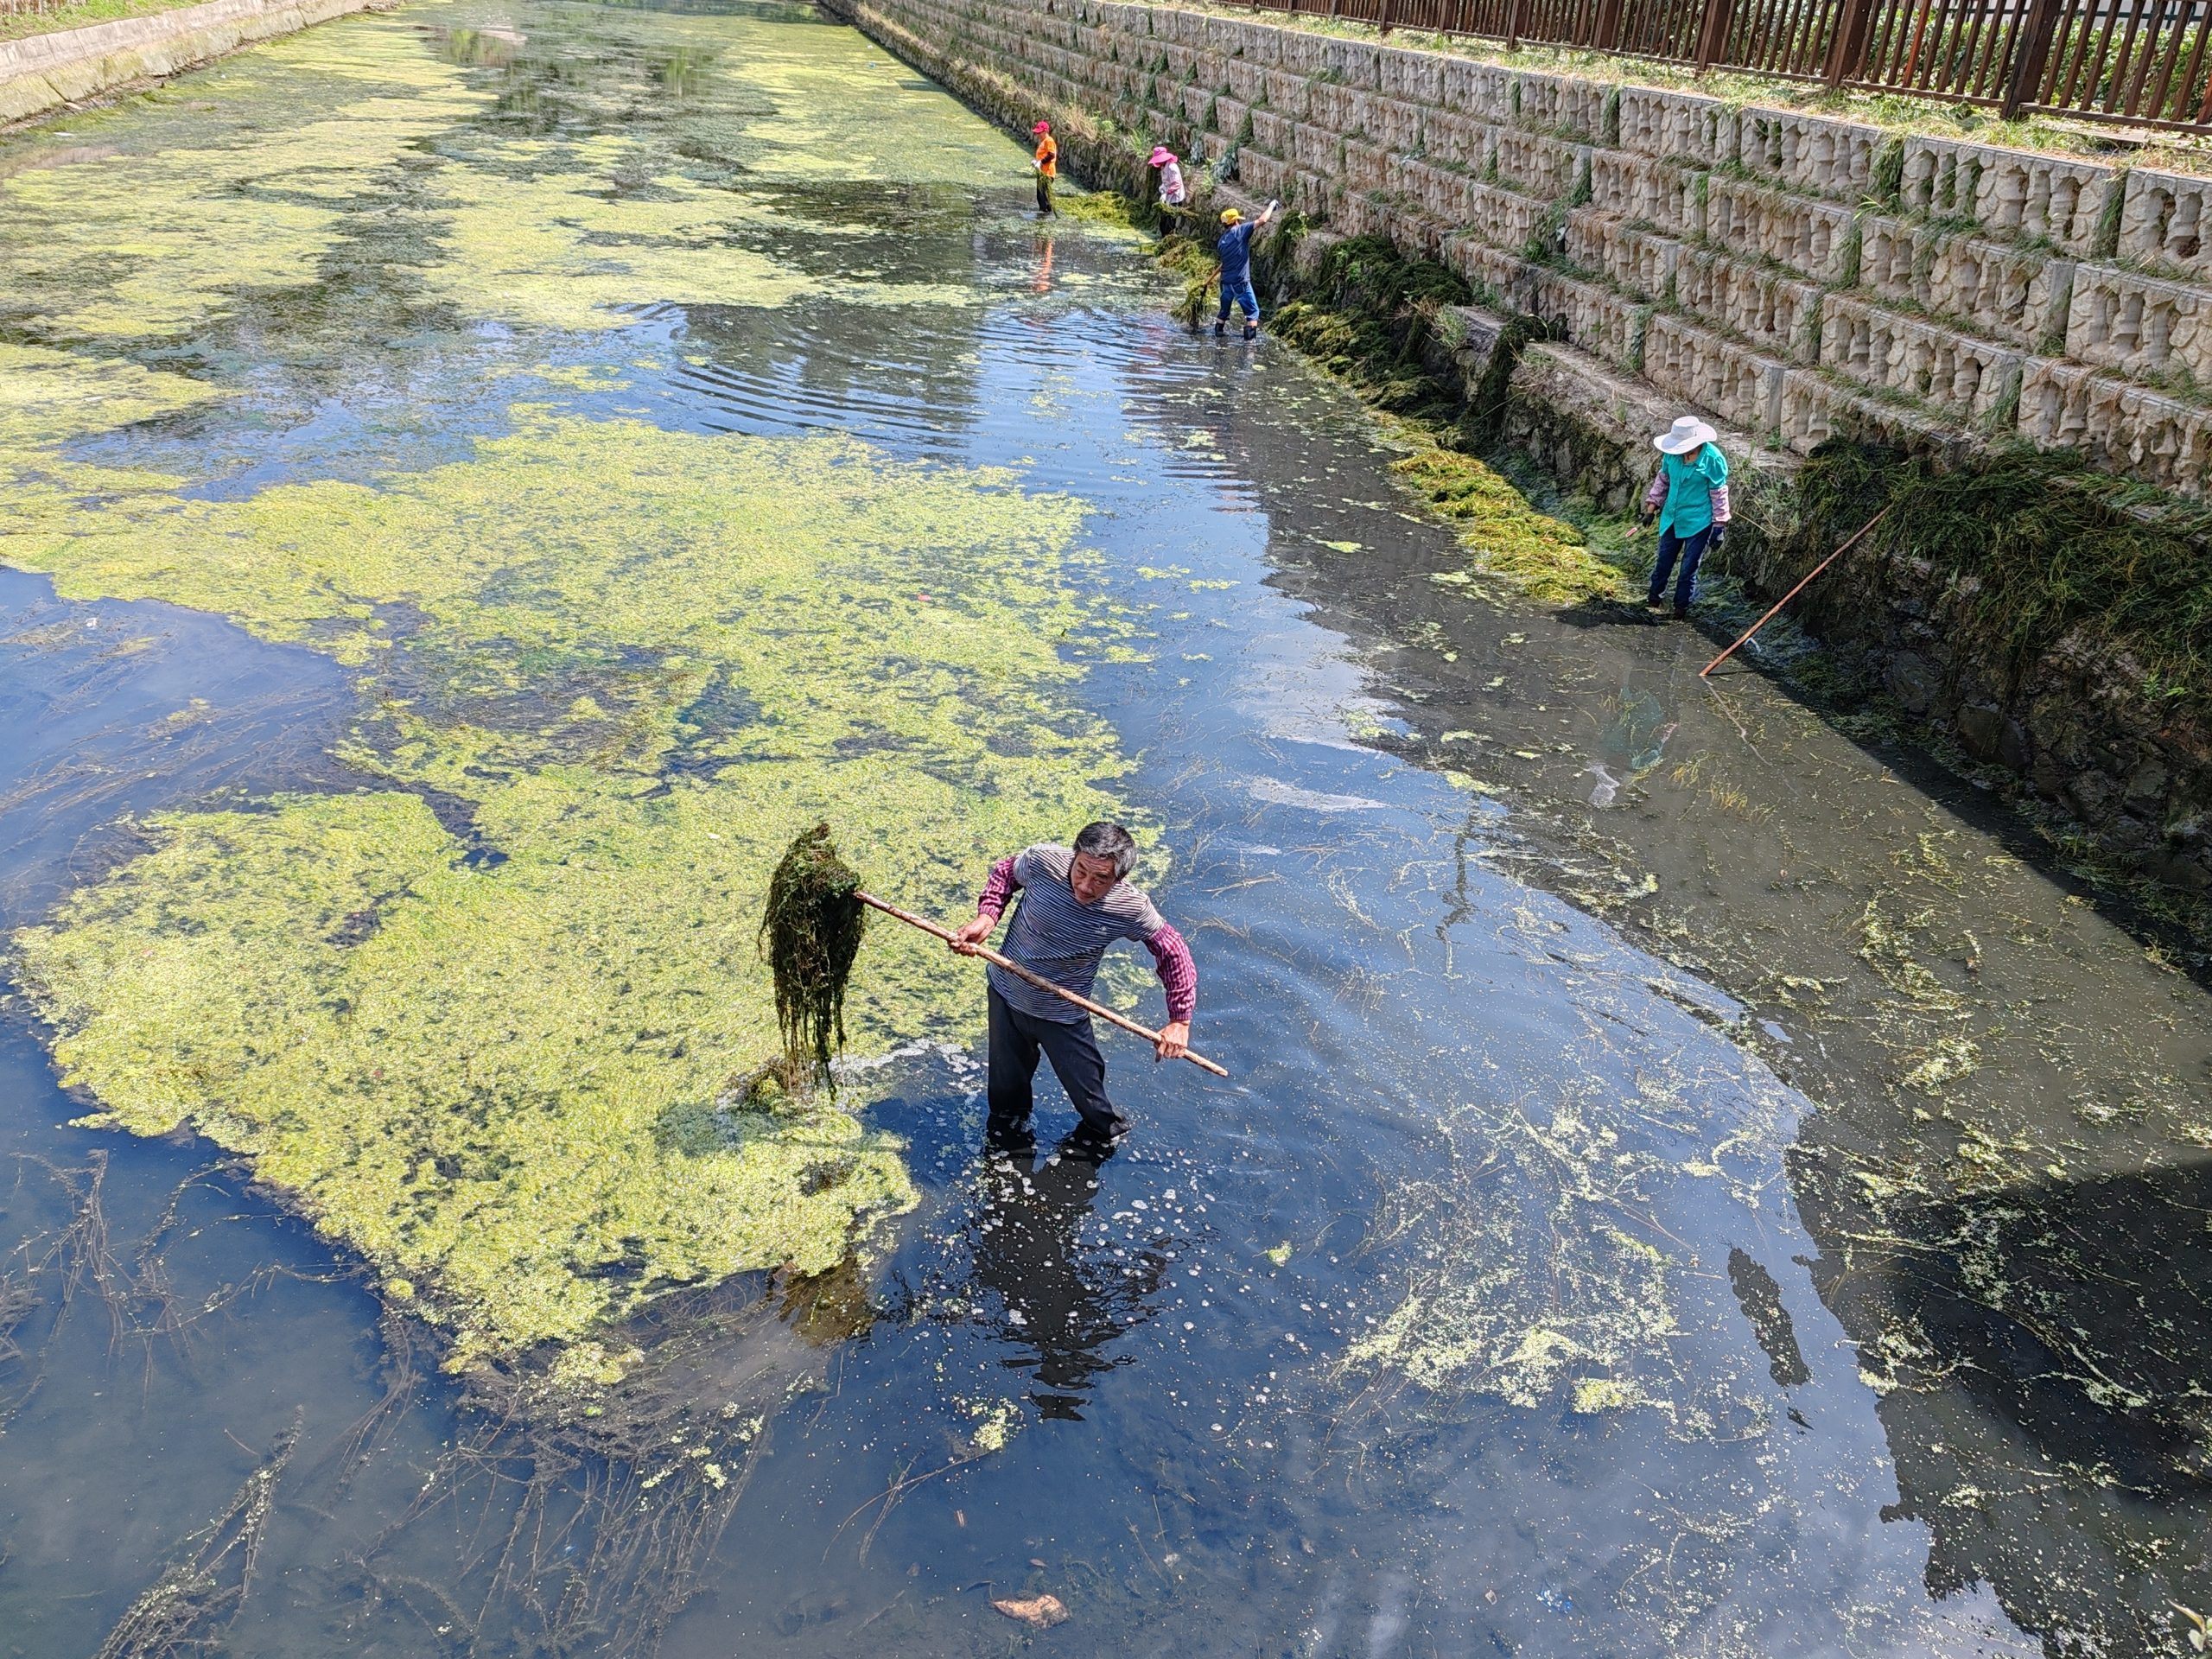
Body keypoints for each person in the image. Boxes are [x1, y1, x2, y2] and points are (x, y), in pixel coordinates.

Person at [950, 822, 1196, 1154]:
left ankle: (1104, 1149)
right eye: (1081, 870)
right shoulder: (1042, 861)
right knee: (1006, 1101)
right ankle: (1009, 1155)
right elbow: (1006, 872)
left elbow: (1172, 950)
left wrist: (1179, 1021)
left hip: (1062, 1014)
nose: (1084, 886)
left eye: (1100, 880)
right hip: (1006, 994)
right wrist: (988, 917)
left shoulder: (1131, 907)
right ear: (1074, 857)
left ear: (1118, 879)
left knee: (1095, 1109)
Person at [1636, 415, 1731, 619]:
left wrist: (1719, 526)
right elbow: (1663, 481)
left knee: (1688, 569)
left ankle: (1680, 610)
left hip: (1699, 522)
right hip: (1672, 518)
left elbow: (1719, 493)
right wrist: (1651, 510)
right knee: (1663, 563)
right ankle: (1653, 601)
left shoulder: (1712, 459)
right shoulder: (1672, 456)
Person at [1213, 200, 1280, 341]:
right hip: (1240, 282)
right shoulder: (1241, 231)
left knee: (1224, 310)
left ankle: (1218, 332)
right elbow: (1263, 220)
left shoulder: (1222, 241)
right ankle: (1250, 345)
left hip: (1225, 282)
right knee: (1253, 312)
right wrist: (1271, 206)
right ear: (1236, 221)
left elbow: (1225, 262)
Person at [1149, 144, 1187, 218]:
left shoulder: (1171, 168)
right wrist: (1163, 190)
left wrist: (1166, 193)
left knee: (1170, 220)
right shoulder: (1164, 167)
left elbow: (1176, 184)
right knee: (1164, 220)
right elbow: (1166, 182)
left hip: (1175, 198)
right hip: (1168, 196)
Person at [1031, 120, 1058, 217]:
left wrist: (1041, 162)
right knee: (1040, 195)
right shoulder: (1043, 142)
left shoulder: (1049, 141)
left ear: (1045, 131)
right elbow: (1043, 155)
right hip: (1042, 172)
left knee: (1043, 196)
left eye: (1040, 132)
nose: (1038, 134)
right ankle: (1044, 213)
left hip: (1048, 172)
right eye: (1037, 132)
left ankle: (1045, 215)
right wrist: (1036, 162)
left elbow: (1051, 154)